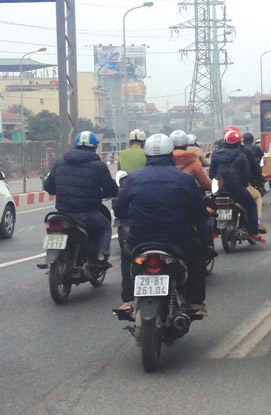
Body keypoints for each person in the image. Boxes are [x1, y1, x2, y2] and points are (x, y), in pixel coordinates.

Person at [114, 134, 213, 316]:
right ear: (170, 155)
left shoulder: (133, 178)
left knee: (127, 255)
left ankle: (127, 300)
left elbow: (119, 210)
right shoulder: (184, 179)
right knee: (197, 256)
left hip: (139, 240)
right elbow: (199, 214)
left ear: (147, 155)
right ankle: (196, 302)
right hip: (177, 240)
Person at [43, 131, 120, 266]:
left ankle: (53, 262)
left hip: (63, 213)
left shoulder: (59, 163)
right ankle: (101, 255)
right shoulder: (98, 166)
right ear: (95, 148)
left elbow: (48, 186)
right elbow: (111, 189)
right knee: (105, 227)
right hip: (88, 213)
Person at [209, 128, 264, 242]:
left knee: (212, 207)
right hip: (236, 188)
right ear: (239, 142)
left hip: (219, 188)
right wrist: (244, 184)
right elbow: (247, 174)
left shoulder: (216, 155)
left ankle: (213, 231)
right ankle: (253, 232)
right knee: (251, 205)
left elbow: (211, 173)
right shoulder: (241, 155)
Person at [240, 132, 267, 233]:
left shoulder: (218, 153)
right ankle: (257, 223)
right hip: (240, 185)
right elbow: (250, 170)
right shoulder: (245, 152)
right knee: (255, 198)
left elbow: (212, 174)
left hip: (221, 188)